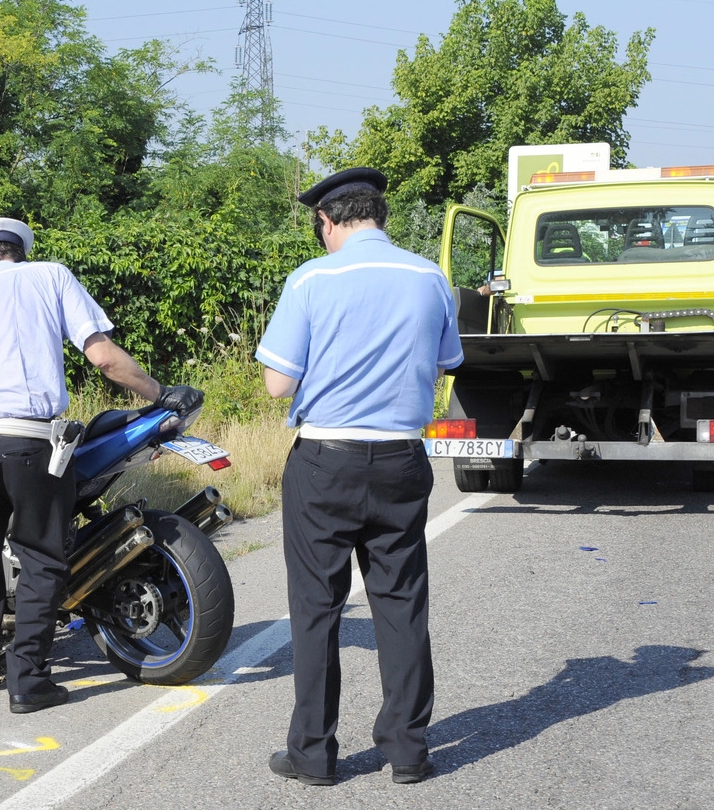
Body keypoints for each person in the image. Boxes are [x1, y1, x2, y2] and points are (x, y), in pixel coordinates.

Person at [0, 217, 204, 712]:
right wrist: (159, 392)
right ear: (18, 251)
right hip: (26, 437)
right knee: (40, 554)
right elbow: (102, 357)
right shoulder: (50, 275)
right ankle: (28, 681)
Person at [256, 167, 461, 786]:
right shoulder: (429, 276)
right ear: (380, 215)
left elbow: (277, 382)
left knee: (316, 607)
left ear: (328, 220)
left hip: (325, 460)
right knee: (402, 602)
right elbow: (448, 361)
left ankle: (313, 755)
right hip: (400, 458)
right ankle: (408, 750)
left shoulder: (312, 279)